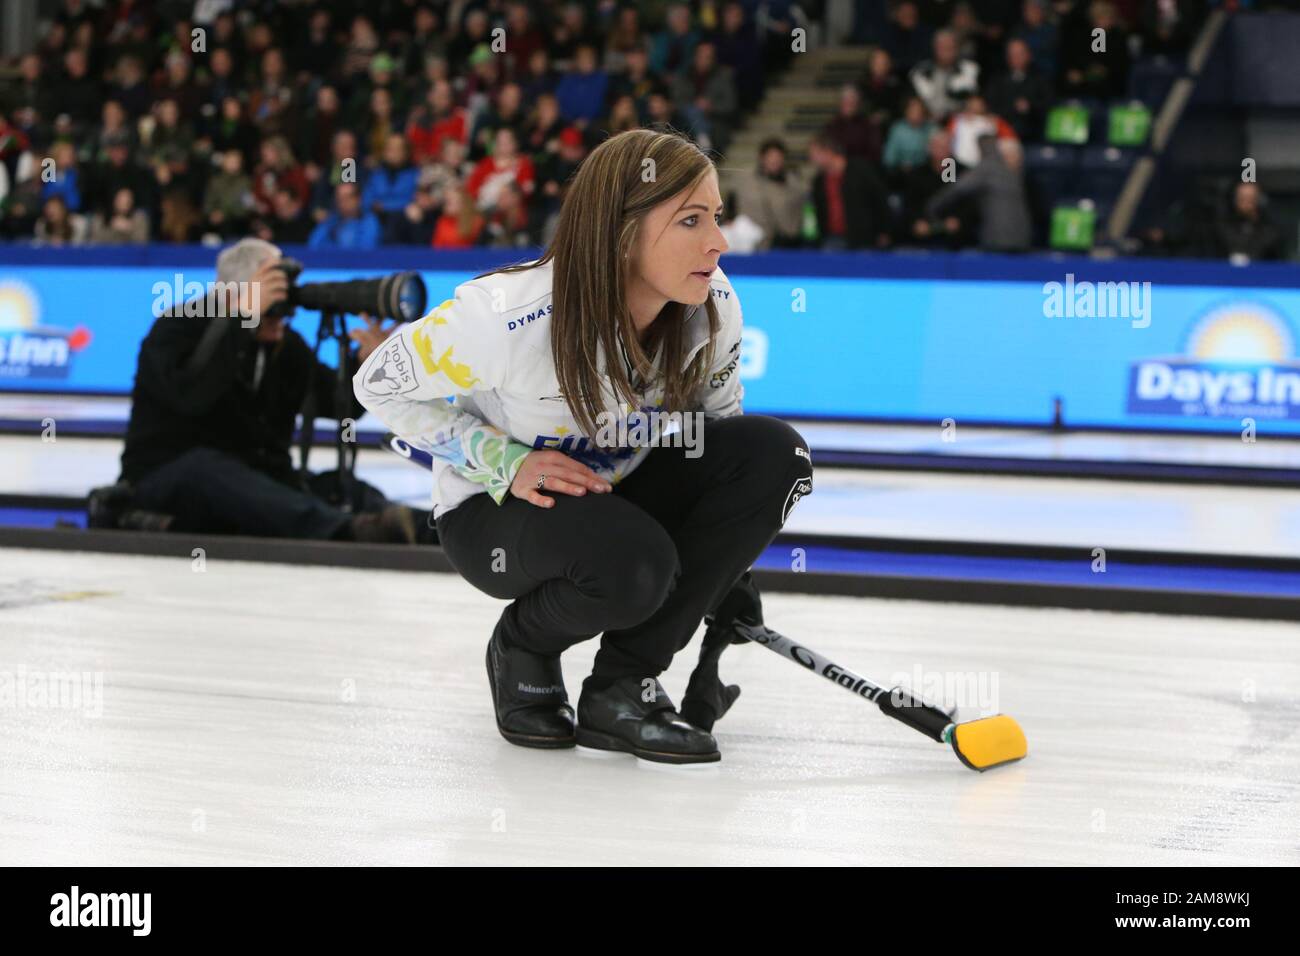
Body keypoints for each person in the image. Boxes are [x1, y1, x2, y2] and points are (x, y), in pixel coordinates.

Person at [354, 129, 814, 764]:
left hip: (619, 496)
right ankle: (523, 644)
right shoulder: (504, 318)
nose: (719, 242)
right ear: (620, 232)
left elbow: (724, 447)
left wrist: (726, 570)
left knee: (772, 453)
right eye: (691, 221)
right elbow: (375, 384)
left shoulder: (713, 307)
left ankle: (621, 688)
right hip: (497, 514)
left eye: (716, 217)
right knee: (634, 561)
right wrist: (504, 461)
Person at [119, 238, 417, 543]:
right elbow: (191, 396)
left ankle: (418, 528)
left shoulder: (285, 345)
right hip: (164, 476)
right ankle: (345, 531)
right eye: (273, 290)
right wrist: (242, 319)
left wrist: (369, 367)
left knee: (342, 489)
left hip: (259, 482)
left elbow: (342, 405)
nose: (285, 310)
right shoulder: (180, 325)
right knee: (208, 471)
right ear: (236, 293)